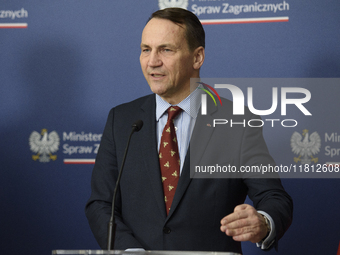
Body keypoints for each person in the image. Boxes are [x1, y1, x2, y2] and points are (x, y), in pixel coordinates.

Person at [85, 8, 293, 254]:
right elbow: (101, 204)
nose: (152, 61)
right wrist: (129, 251)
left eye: (166, 50)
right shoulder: (121, 120)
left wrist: (262, 222)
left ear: (197, 58)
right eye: (146, 49)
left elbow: (275, 198)